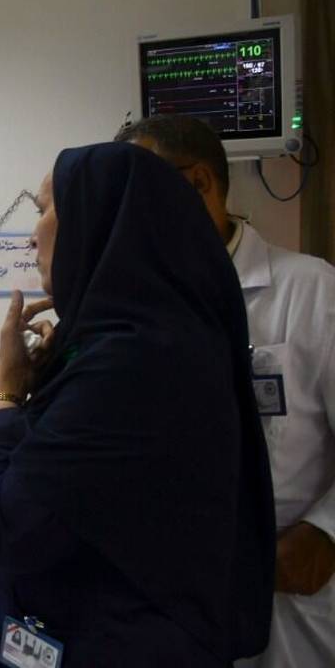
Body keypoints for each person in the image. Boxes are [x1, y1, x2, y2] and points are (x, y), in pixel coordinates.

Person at [0, 143, 274, 666]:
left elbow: (4, 528)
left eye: (44, 210)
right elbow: (80, 494)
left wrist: (5, 390)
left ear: (98, 221)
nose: (32, 236)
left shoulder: (131, 365)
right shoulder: (138, 342)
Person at [117, 114, 335, 667]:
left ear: (198, 184)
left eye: (137, 193)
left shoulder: (311, 291)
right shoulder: (137, 301)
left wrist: (326, 531)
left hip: (289, 581)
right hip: (173, 586)